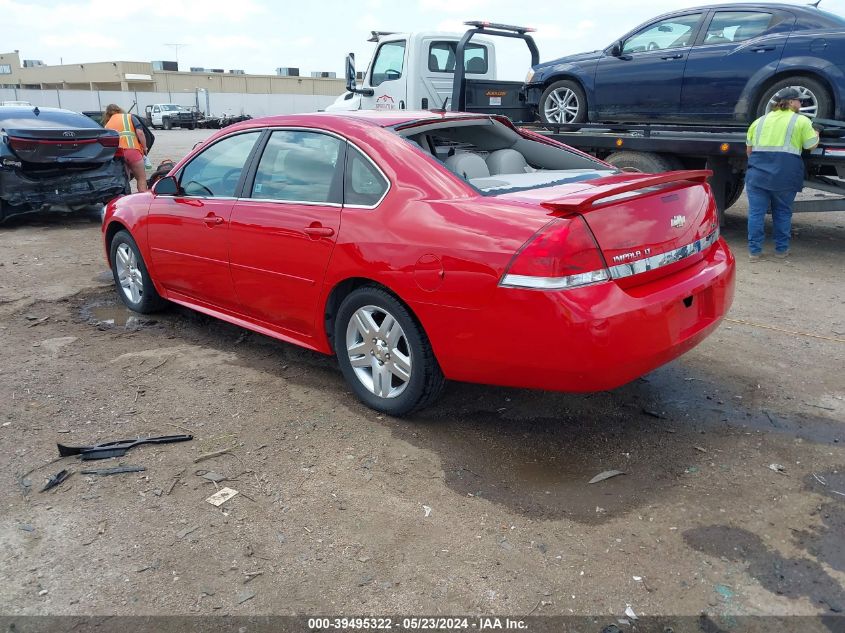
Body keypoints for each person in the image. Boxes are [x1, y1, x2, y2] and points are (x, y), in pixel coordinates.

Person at [745, 87, 819, 261]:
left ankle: (754, 252)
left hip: (757, 175)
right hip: (784, 176)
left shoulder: (758, 122)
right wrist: (817, 133)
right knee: (782, 213)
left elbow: (749, 151)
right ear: (791, 102)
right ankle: (781, 250)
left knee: (756, 213)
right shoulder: (801, 121)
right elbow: (810, 145)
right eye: (799, 101)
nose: (801, 104)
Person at [102, 104, 149, 192]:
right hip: (133, 151)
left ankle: (125, 200)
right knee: (141, 178)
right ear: (119, 109)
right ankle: (143, 199)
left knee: (124, 181)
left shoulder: (107, 124)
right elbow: (140, 133)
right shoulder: (130, 117)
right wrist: (145, 148)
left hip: (118, 154)